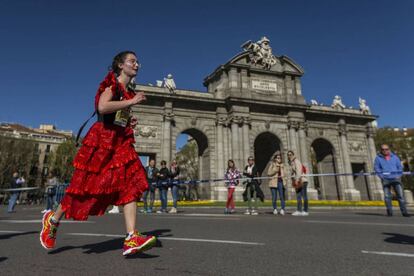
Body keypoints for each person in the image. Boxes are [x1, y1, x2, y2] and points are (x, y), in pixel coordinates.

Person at [39, 51, 156, 256]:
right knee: (83, 187)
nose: (137, 65)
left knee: (131, 181)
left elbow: (116, 115)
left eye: (138, 62)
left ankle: (131, 237)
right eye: (132, 61)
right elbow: (103, 107)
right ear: (120, 65)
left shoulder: (128, 91)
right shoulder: (112, 84)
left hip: (120, 141)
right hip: (102, 141)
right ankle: (53, 220)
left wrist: (128, 121)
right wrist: (131, 103)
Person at [374, 144, 410, 217]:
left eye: (386, 149)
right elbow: (377, 168)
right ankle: (389, 212)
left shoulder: (395, 157)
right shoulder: (378, 158)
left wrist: (399, 175)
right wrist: (382, 177)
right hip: (386, 179)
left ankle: (404, 212)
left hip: (396, 179)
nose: (385, 151)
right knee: (387, 197)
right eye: (383, 149)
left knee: (400, 196)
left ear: (389, 149)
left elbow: (400, 167)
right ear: (381, 150)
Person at [288, 151, 309, 216]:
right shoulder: (291, 162)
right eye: (288, 155)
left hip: (302, 181)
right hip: (298, 181)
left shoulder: (296, 161)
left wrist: (297, 180)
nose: (289, 156)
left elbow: (298, 171)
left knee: (304, 196)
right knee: (298, 196)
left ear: (293, 155)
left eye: (290, 154)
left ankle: (305, 210)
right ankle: (299, 210)